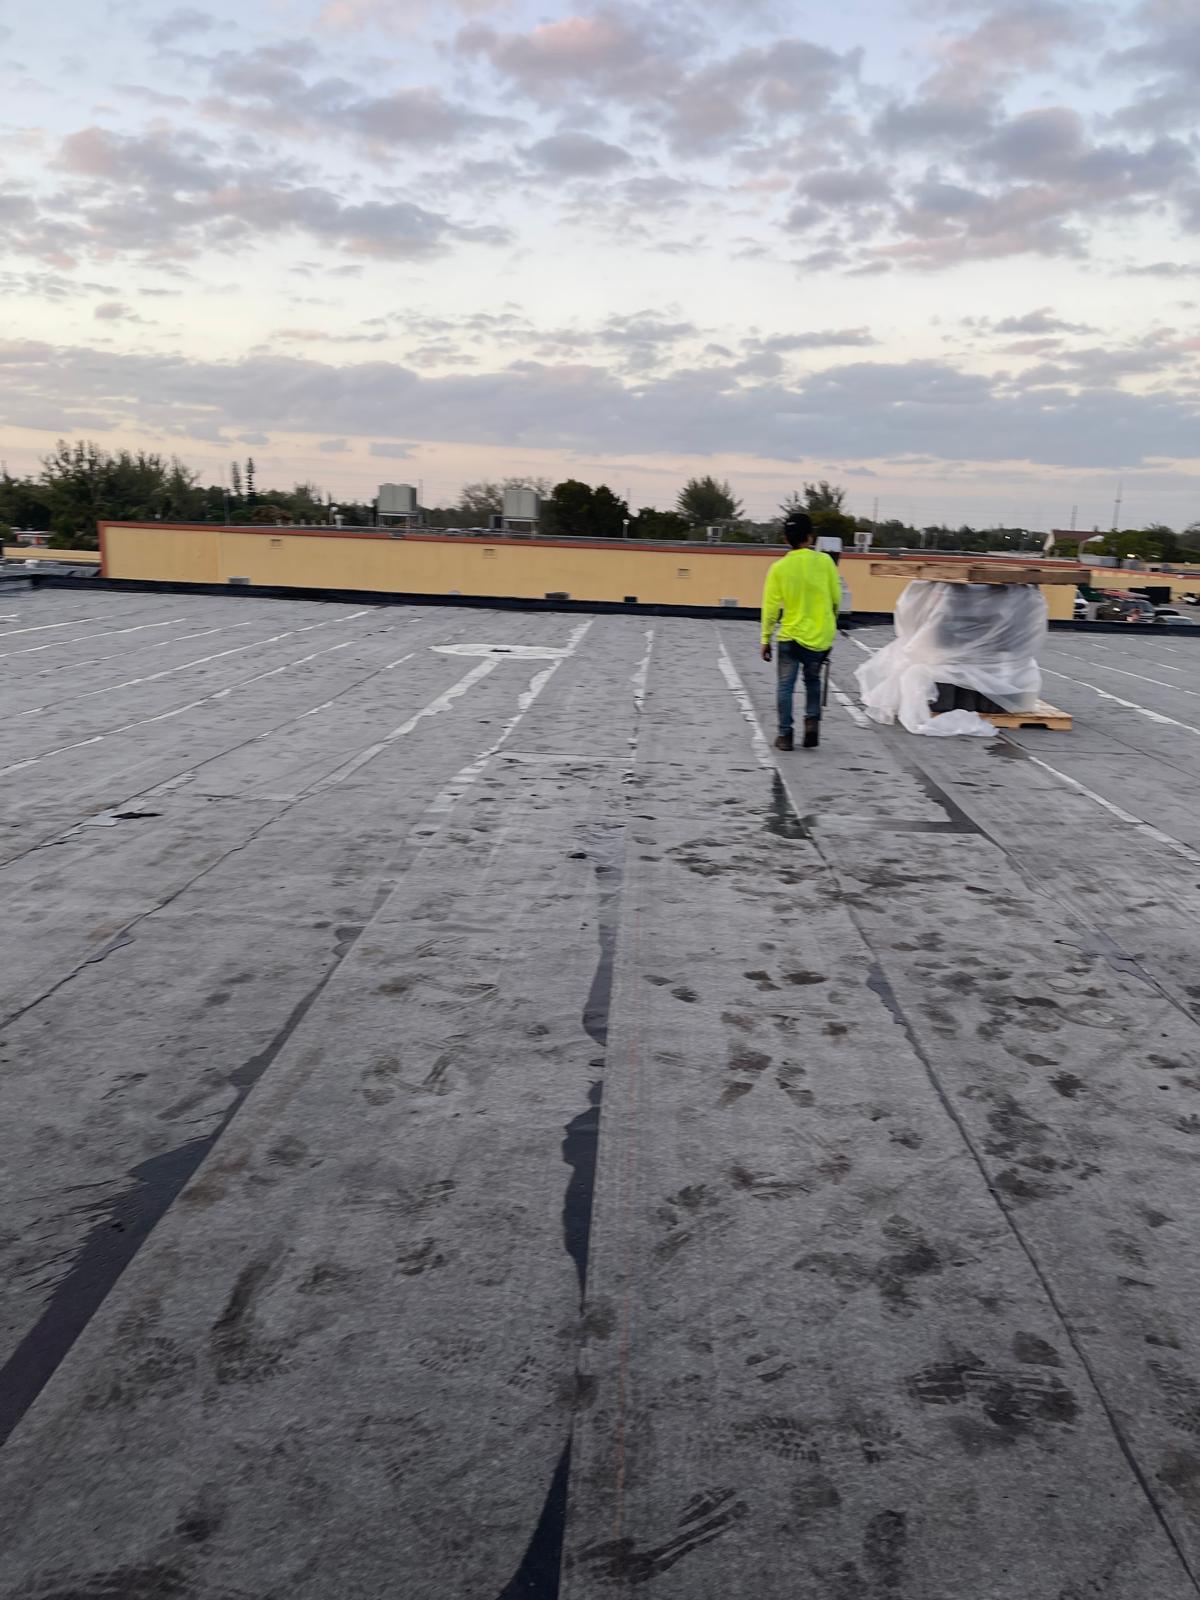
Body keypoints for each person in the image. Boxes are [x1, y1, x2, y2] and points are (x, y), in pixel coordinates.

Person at [760, 510, 842, 750]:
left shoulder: (778, 568)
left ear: (786, 538)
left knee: (785, 686)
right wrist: (829, 622)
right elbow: (836, 599)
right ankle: (811, 724)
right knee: (813, 681)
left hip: (789, 636)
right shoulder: (826, 562)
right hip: (819, 637)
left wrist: (765, 638)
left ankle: (785, 735)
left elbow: (770, 607)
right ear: (811, 537)